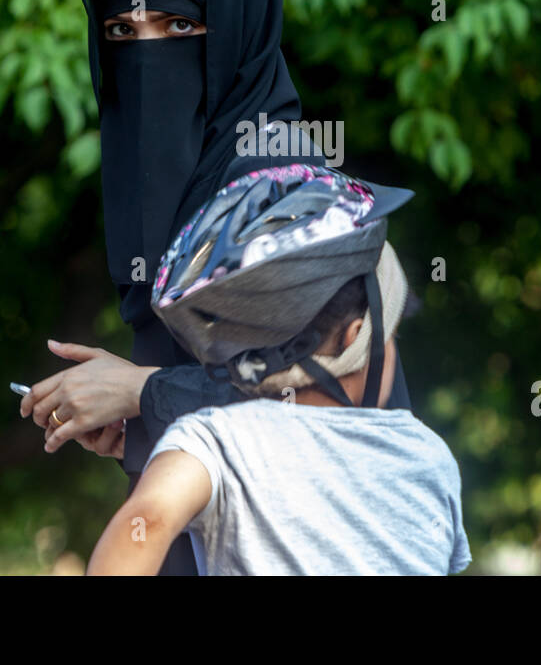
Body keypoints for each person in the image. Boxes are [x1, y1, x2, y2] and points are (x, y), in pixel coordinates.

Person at [18, 0, 415, 574]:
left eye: (177, 24)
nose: (147, 55)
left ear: (237, 26)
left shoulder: (285, 200)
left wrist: (143, 393)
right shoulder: (184, 193)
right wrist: (139, 425)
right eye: (121, 32)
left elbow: (337, 413)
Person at [85, 164, 471, 575]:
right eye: (390, 335)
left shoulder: (217, 442)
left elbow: (146, 524)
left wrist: (168, 452)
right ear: (354, 337)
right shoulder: (426, 456)